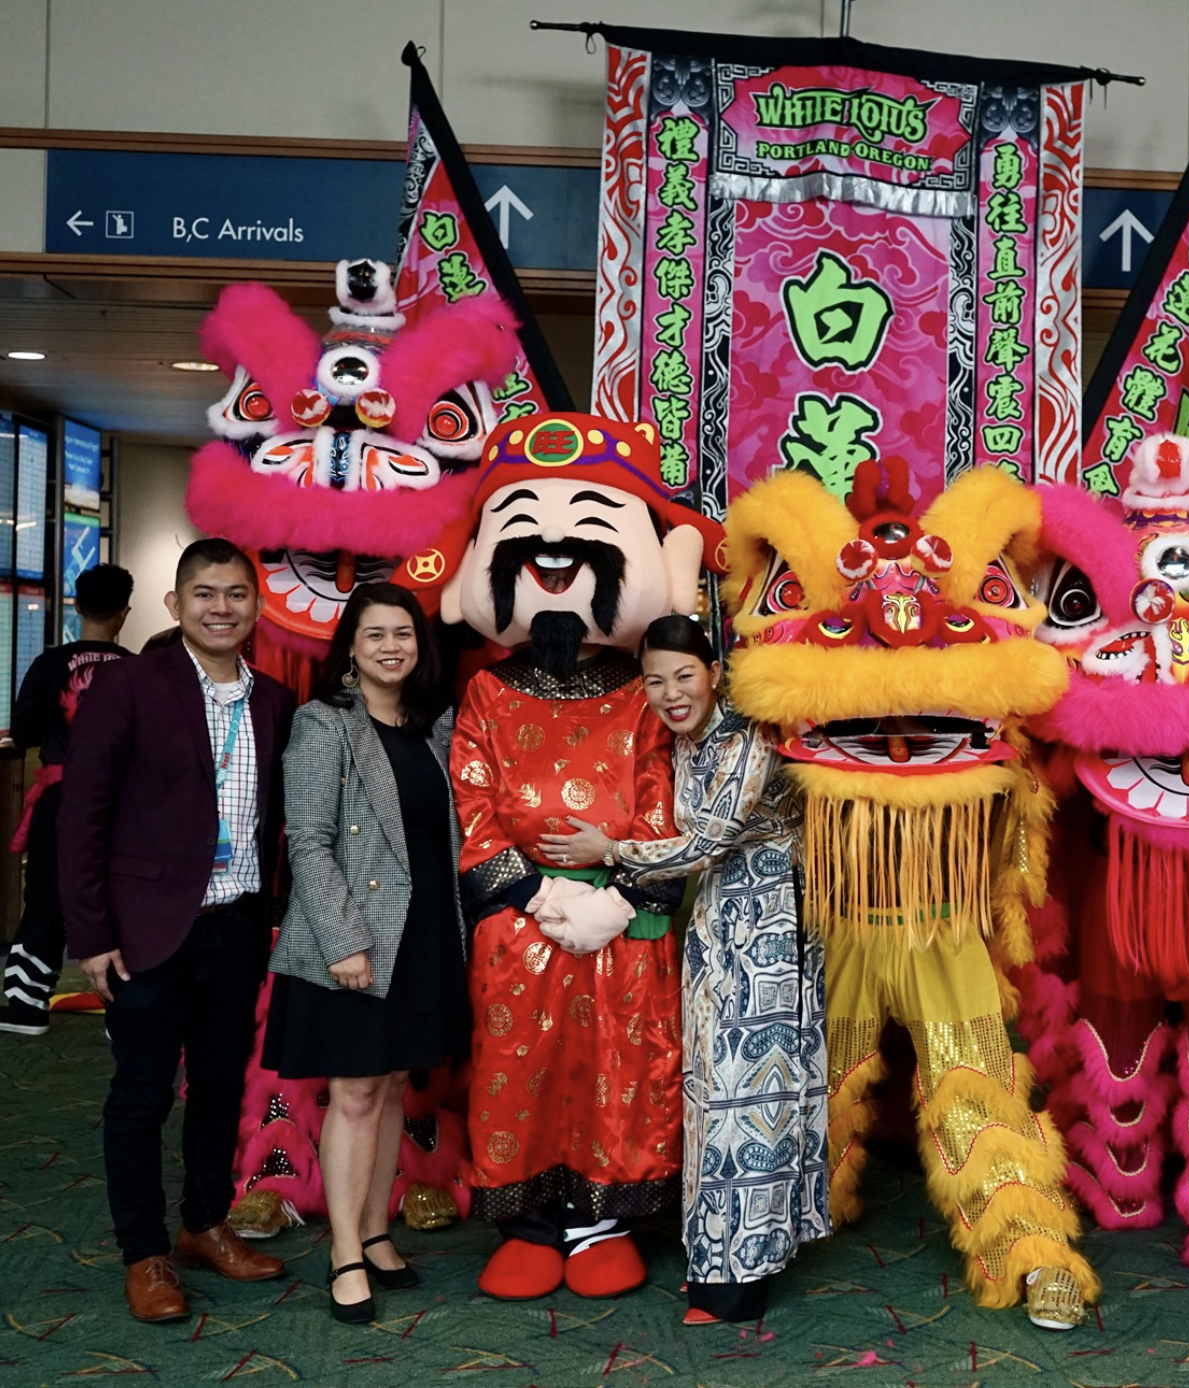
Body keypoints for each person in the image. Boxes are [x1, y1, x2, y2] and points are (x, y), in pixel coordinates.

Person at [440, 410, 726, 1301]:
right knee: (520, 1061)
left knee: (617, 1067)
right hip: (520, 921)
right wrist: (530, 894)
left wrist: (612, 893)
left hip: (618, 922)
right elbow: (472, 799)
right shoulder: (485, 691)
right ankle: (532, 1221)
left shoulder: (647, 694)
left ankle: (602, 1220)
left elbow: (659, 798)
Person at [540, 614, 829, 1324]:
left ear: (714, 673)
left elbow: (706, 839)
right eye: (655, 679)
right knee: (710, 1093)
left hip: (771, 923)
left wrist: (609, 849)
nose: (670, 692)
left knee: (755, 1096)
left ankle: (740, 1281)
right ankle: (716, 1256)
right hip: (715, 926)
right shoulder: (683, 742)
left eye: (684, 675)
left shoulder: (747, 736)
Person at [58, 538, 295, 1322]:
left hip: (235, 928)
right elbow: (81, 816)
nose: (221, 607)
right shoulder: (130, 686)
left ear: (256, 606)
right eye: (205, 594)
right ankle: (144, 1251)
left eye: (236, 594)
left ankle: (203, 1223)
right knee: (141, 1095)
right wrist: (91, 934)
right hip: (148, 932)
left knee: (220, 1088)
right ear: (175, 605)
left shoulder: (271, 700)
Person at [262, 582, 469, 1323]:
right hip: (351, 939)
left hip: (421, 935)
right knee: (353, 1094)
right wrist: (345, 940)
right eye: (376, 634)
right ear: (349, 645)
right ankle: (344, 1251)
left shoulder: (433, 725)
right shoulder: (325, 725)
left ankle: (377, 1230)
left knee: (386, 1092)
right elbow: (309, 844)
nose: (392, 647)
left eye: (404, 634)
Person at [0, 563, 134, 1035]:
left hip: (60, 797)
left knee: (46, 895)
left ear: (76, 606)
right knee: (123, 899)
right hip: (124, 805)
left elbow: (22, 732)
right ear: (124, 612)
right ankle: (124, 1011)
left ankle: (26, 1006)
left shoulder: (49, 664)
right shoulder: (138, 669)